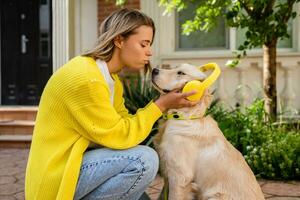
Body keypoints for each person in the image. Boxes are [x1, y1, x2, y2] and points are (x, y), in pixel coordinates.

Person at [25, 8, 198, 200]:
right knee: (142, 161)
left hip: (76, 165)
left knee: (140, 196)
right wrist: (161, 105)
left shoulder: (110, 80)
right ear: (119, 40)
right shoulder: (87, 78)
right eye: (143, 44)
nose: (150, 52)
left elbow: (124, 127)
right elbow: (120, 136)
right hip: (56, 178)